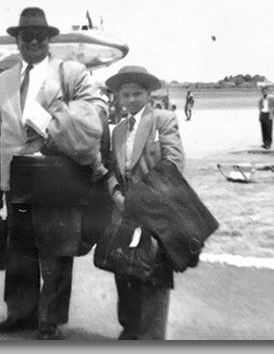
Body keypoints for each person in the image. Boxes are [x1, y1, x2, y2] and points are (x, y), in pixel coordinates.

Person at [0, 7, 108, 340]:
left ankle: (49, 321)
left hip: (57, 177)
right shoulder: (4, 79)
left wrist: (52, 120)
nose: (34, 41)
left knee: (56, 251)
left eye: (41, 35)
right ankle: (20, 314)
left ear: (50, 39)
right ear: (18, 40)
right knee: (20, 249)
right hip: (18, 180)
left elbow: (96, 109)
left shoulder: (71, 73)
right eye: (27, 36)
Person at [103, 65, 185, 340]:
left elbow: (173, 162)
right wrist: (116, 193)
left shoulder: (163, 119)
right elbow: (112, 169)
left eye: (136, 94)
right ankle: (130, 330)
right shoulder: (118, 131)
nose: (130, 100)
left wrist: (144, 198)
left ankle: (151, 337)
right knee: (124, 273)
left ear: (149, 93)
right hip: (125, 213)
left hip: (155, 211)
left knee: (154, 277)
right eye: (124, 95)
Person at [257, 85, 274, 149]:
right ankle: (265, 143)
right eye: (262, 91)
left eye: (264, 90)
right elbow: (260, 108)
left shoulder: (272, 97)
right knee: (263, 129)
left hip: (269, 114)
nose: (263, 92)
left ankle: (268, 144)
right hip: (263, 114)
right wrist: (260, 116)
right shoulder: (261, 99)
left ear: (267, 91)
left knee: (269, 130)